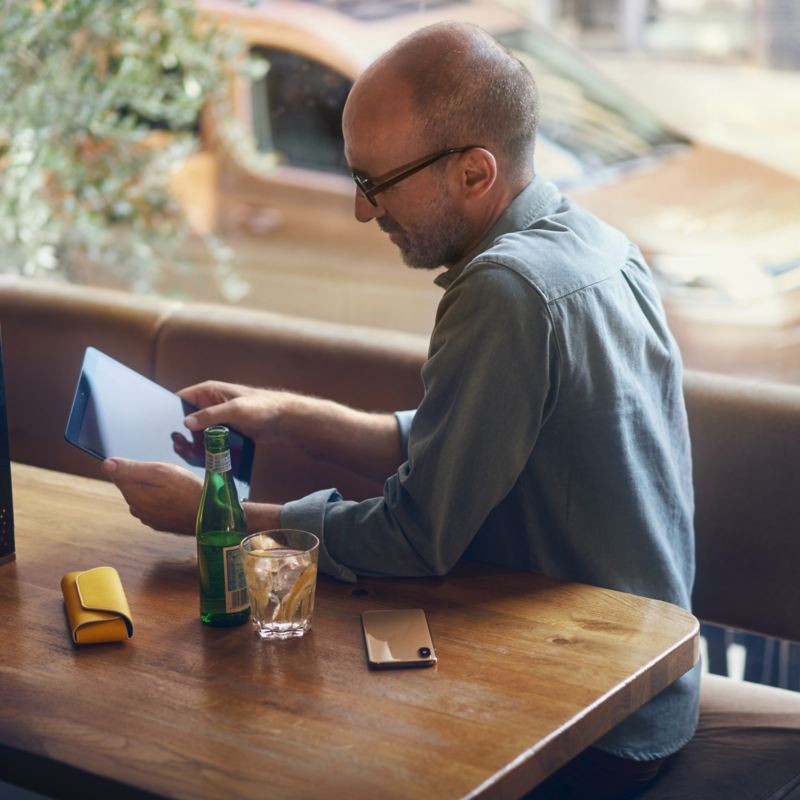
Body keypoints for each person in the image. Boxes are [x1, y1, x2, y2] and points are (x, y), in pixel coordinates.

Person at [103, 21, 699, 798]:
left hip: (593, 724)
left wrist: (214, 519)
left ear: (475, 174)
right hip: (639, 687)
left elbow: (417, 538)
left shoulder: (506, 290)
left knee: (242, 743)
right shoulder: (597, 244)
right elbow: (483, 448)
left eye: (376, 182)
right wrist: (290, 414)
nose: (360, 209)